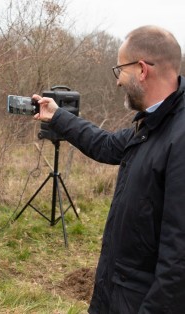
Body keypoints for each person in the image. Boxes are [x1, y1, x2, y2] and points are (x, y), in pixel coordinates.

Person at [33, 25, 185, 313]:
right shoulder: (153, 124)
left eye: (120, 70)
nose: (117, 82)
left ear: (142, 70)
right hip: (118, 292)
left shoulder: (179, 136)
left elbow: (178, 260)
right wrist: (57, 116)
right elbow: (105, 144)